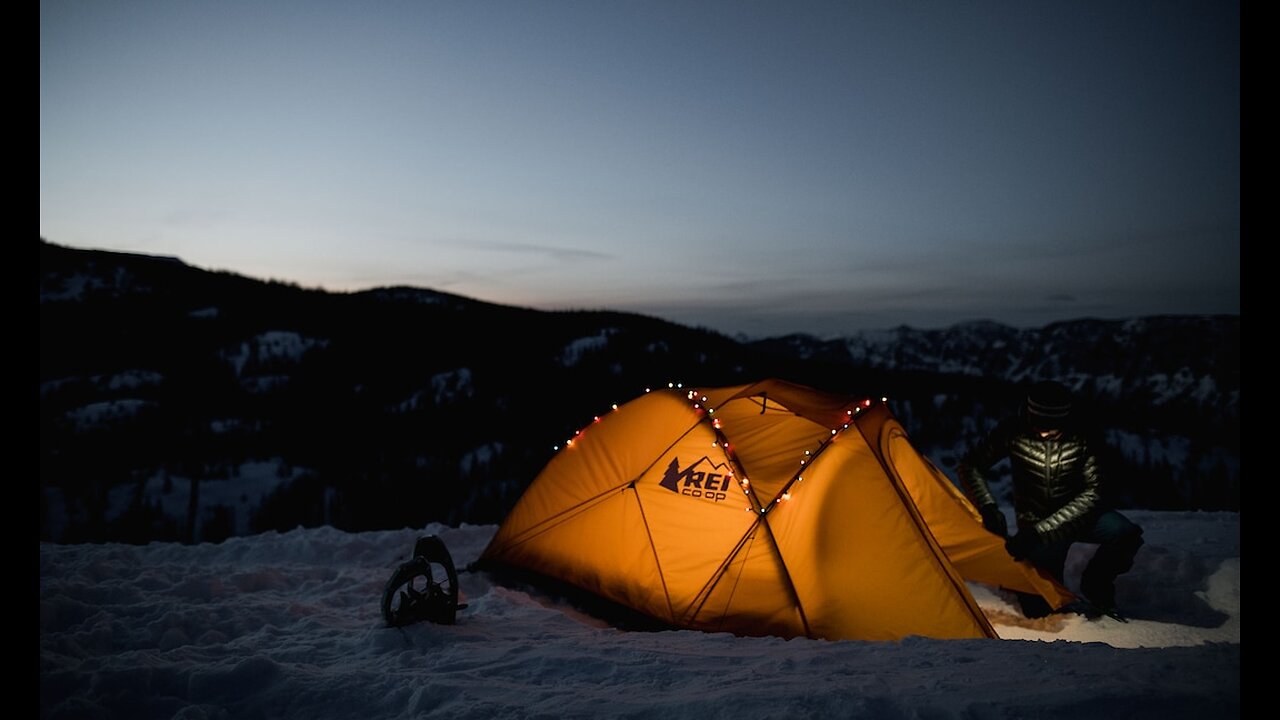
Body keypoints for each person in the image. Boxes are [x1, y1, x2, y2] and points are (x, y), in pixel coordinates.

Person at [957, 380, 1144, 620]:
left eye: (1051, 427)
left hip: (1079, 518)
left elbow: (1093, 494)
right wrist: (988, 507)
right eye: (1038, 425)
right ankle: (1035, 582)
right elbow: (970, 465)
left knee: (1125, 534)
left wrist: (1038, 533)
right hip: (1035, 522)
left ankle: (1096, 585)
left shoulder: (1084, 435)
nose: (1044, 432)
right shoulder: (1013, 431)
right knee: (1043, 610)